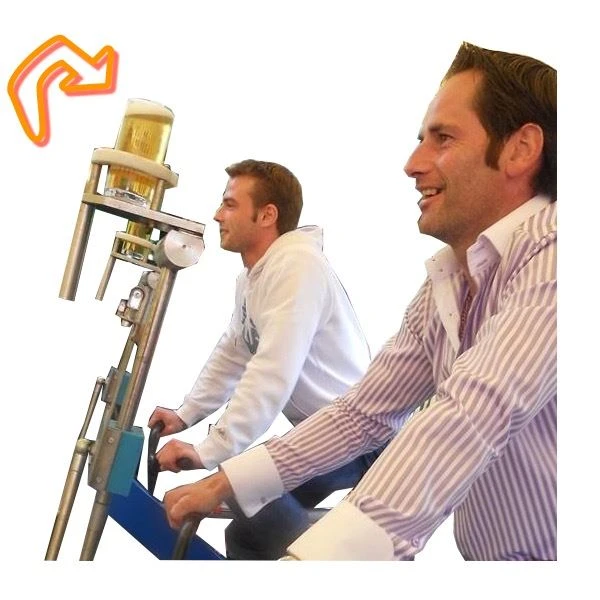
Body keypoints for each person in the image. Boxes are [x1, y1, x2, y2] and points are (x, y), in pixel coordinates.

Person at [163, 41, 557, 561]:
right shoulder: (451, 279)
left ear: (520, 149)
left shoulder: (560, 256)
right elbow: (361, 411)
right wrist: (222, 476)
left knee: (260, 534)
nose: (412, 164)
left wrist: (214, 454)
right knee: (253, 525)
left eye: (442, 138)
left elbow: (473, 414)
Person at [148, 159, 384, 559]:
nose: (217, 215)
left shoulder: (297, 267)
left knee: (253, 513)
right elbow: (234, 352)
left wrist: (209, 450)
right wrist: (186, 415)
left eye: (230, 205)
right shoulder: (254, 278)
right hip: (325, 431)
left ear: (267, 215)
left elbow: (271, 374)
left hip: (361, 437)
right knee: (247, 530)